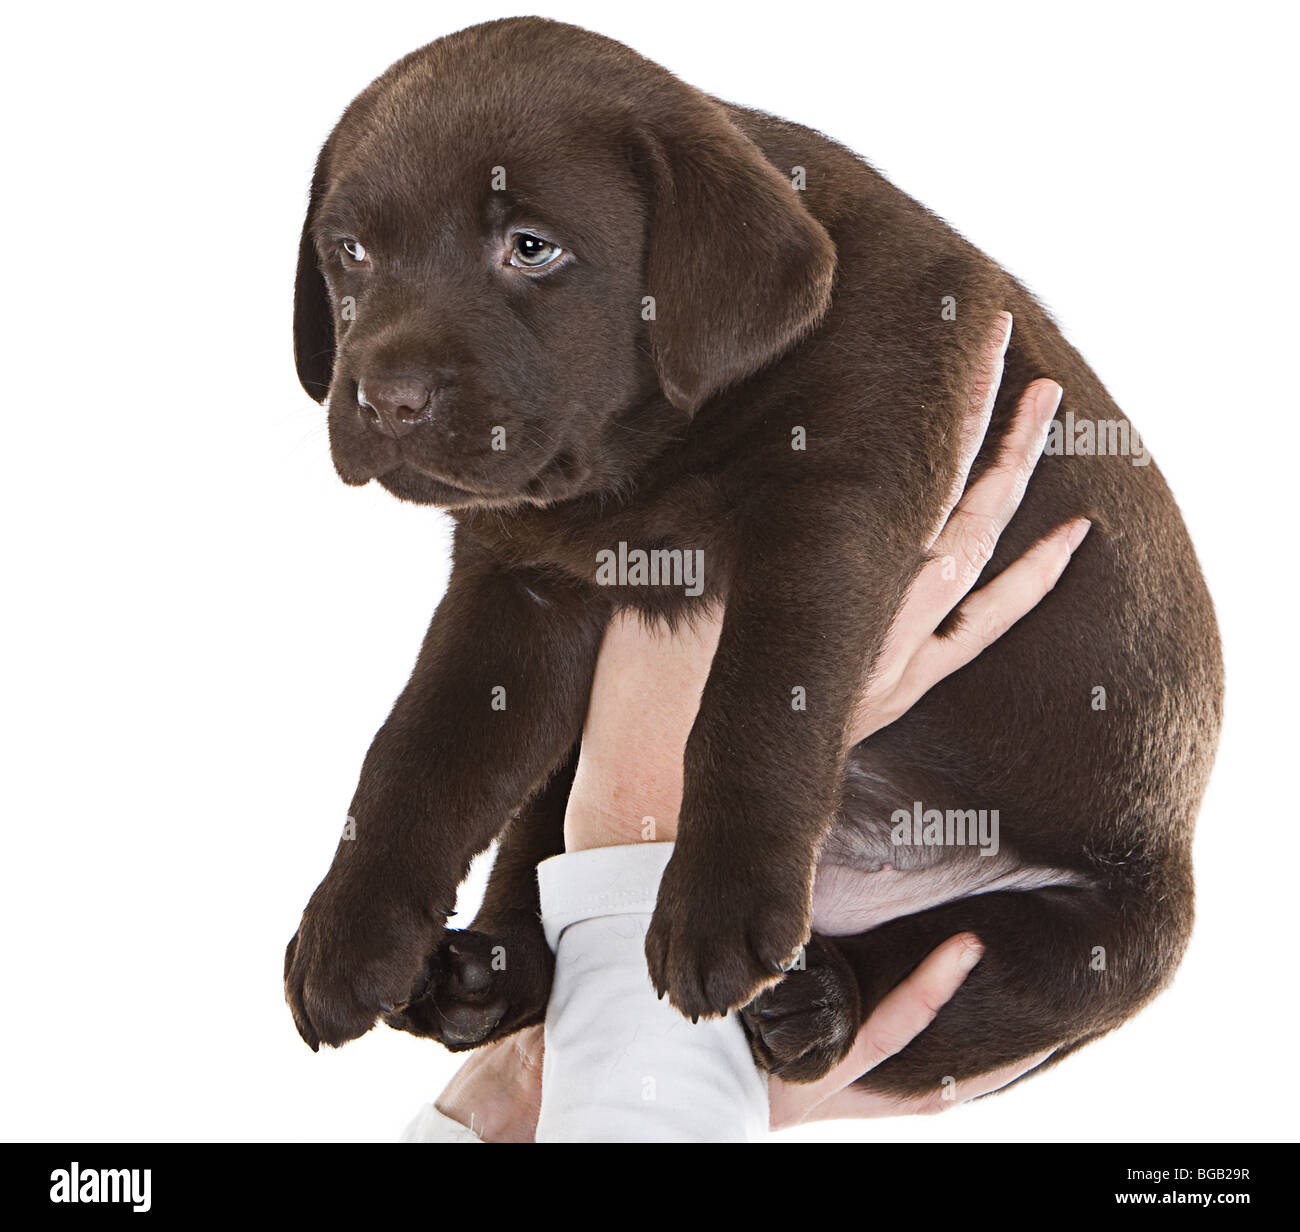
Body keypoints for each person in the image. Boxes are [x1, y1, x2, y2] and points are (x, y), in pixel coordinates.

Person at [403, 313, 1088, 1141]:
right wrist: (672, 794)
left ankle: (529, 958)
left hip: (1011, 870)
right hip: (797, 912)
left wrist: (494, 1107)